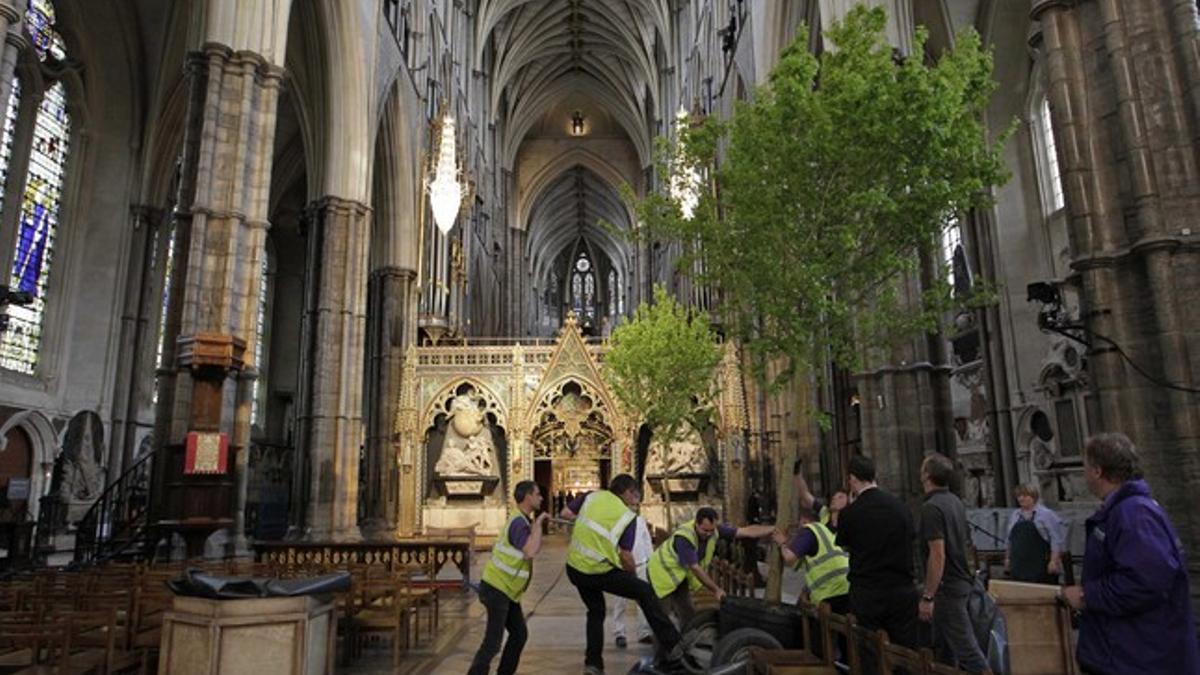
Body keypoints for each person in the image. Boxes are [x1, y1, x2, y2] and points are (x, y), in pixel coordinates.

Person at [1061, 433, 1199, 675]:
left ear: (1097, 471)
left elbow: (1146, 581)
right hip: (1126, 651)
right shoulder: (1124, 511)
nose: (1083, 474)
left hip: (1140, 656)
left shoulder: (1134, 514)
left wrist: (1087, 595)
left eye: (1085, 466)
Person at [561, 474, 685, 675]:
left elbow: (565, 513)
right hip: (597, 570)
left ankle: (593, 665)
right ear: (626, 492)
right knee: (645, 591)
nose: (635, 498)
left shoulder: (591, 496)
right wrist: (633, 581)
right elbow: (626, 558)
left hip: (575, 569)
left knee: (596, 611)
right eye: (634, 493)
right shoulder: (627, 517)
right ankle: (674, 647)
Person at [834, 454, 920, 649]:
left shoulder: (850, 513)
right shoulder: (901, 507)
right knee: (904, 653)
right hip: (901, 590)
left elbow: (843, 543)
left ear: (853, 479)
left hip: (868, 592)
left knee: (870, 651)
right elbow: (911, 539)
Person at [918, 453, 991, 674]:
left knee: (968, 652)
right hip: (962, 582)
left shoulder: (932, 508)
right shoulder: (955, 502)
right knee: (944, 650)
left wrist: (928, 595)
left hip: (948, 587)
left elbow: (937, 554)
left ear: (927, 475)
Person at [468, 480, 550, 675]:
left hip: (507, 590)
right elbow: (530, 550)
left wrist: (535, 525)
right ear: (528, 496)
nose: (541, 497)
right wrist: (538, 524)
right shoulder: (518, 523)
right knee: (492, 642)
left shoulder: (521, 520)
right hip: (497, 588)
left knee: (519, 634)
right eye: (538, 493)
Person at [647, 507, 775, 626]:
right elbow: (695, 568)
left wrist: (772, 529)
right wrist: (716, 590)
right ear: (696, 524)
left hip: (678, 577)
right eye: (705, 530)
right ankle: (663, 649)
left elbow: (744, 532)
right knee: (662, 618)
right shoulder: (684, 538)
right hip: (660, 576)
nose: (709, 534)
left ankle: (687, 642)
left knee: (687, 611)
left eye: (711, 530)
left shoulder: (716, 530)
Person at [1003, 483, 1067, 584]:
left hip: (1041, 564)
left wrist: (1054, 561)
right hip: (1019, 565)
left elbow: (1056, 540)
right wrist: (1007, 558)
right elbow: (1009, 540)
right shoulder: (1015, 515)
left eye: (1025, 496)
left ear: (1033, 496)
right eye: (1019, 496)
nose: (1021, 499)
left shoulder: (1046, 514)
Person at [610, 509, 653, 648]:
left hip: (640, 563)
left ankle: (644, 632)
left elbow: (646, 541)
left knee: (643, 599)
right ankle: (619, 633)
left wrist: (649, 561)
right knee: (620, 602)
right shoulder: (615, 522)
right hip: (621, 565)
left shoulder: (640, 521)